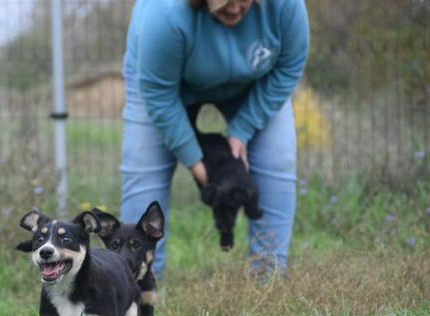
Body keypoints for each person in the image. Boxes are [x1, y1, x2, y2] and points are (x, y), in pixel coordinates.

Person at [120, 0, 309, 277]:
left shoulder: (285, 6)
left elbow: (289, 66)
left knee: (278, 159)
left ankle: (269, 275)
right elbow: (159, 95)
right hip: (164, 85)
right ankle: (138, 284)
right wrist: (195, 161)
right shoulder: (166, 14)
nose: (234, 8)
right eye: (224, 1)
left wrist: (243, 128)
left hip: (254, 83)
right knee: (144, 170)